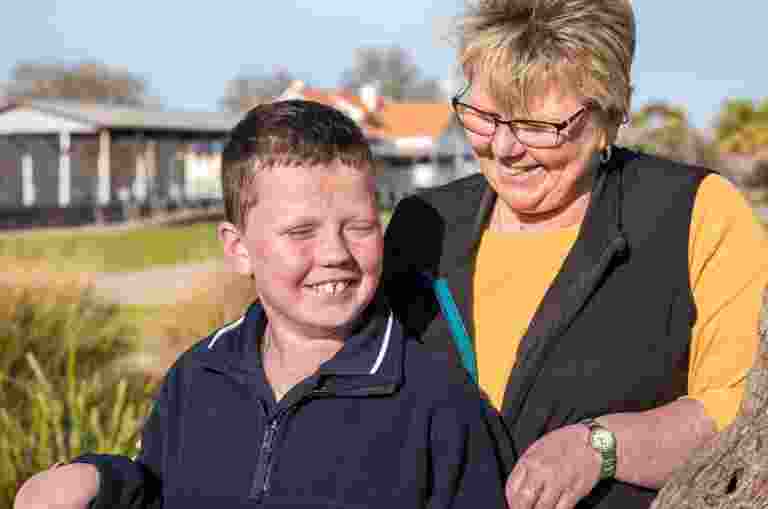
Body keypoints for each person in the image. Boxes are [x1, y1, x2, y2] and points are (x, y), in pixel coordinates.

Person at [14, 100, 507, 509]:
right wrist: (98, 482)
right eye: (300, 232)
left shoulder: (438, 407)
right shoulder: (198, 377)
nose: (336, 253)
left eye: (358, 227)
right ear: (238, 248)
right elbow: (161, 492)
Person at [382, 1, 768, 509]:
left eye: (537, 126)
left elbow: (741, 413)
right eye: (482, 116)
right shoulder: (421, 224)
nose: (504, 148)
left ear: (610, 113)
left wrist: (603, 446)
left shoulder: (696, 213)